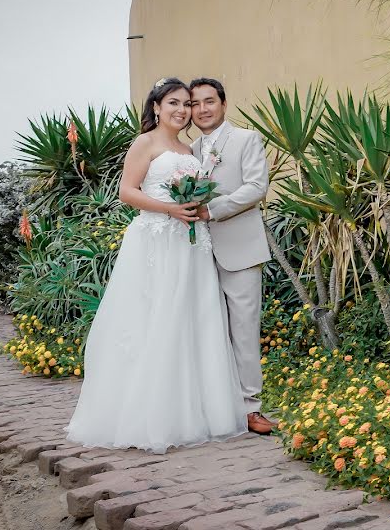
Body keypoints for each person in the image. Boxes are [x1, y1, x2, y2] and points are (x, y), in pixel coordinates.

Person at [65, 77, 248, 453]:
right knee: (154, 318)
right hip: (156, 240)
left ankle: (196, 412)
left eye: (187, 104)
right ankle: (151, 416)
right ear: (156, 108)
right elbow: (127, 191)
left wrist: (194, 209)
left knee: (190, 319)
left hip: (190, 245)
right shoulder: (145, 143)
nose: (182, 110)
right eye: (174, 104)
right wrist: (170, 210)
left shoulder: (190, 149)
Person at [189, 77, 275, 435]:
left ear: (223, 104)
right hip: (196, 252)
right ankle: (215, 408)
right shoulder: (188, 150)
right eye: (195, 104)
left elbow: (257, 187)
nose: (202, 109)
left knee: (243, 329)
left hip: (239, 247)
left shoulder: (246, 139)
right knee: (207, 331)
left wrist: (214, 210)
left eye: (209, 101)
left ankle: (251, 408)